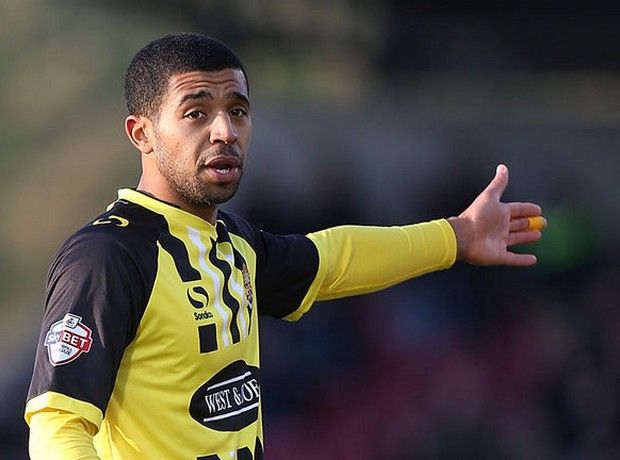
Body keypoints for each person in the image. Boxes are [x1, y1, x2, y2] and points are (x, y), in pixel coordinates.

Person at [24, 32, 544, 460]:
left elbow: (333, 259)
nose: (225, 131)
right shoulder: (108, 256)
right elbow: (57, 427)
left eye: (238, 111)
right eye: (196, 113)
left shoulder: (235, 243)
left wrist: (457, 235)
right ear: (142, 133)